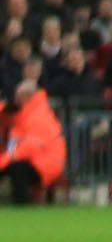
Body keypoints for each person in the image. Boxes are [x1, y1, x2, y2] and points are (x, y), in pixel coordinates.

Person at [2, 73, 64, 204]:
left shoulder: (39, 116)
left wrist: (4, 160)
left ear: (26, 96)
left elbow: (28, 147)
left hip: (46, 162)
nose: (14, 98)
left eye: (17, 95)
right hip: (32, 158)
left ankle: (23, 203)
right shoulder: (26, 113)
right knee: (14, 165)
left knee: (18, 168)